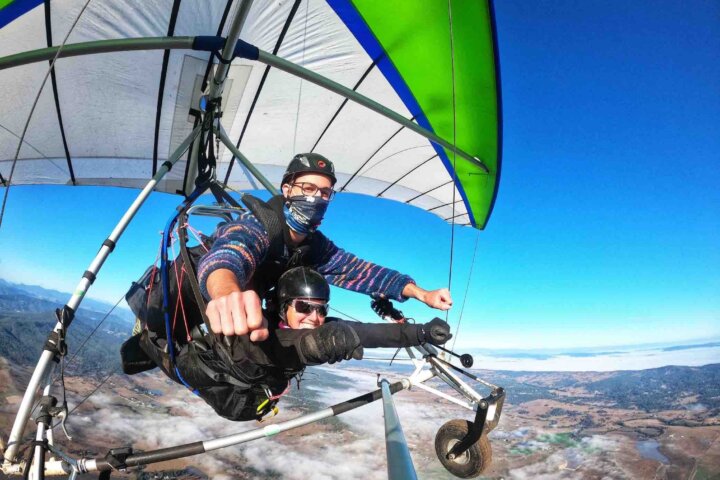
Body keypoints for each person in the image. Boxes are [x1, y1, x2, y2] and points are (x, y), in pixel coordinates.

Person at [128, 267, 452, 422]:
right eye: (304, 307)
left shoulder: (304, 325)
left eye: (321, 308)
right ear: (283, 308)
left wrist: (421, 328)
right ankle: (147, 332)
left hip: (249, 394)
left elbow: (364, 331)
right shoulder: (277, 335)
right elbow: (327, 339)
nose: (314, 316)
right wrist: (422, 331)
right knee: (160, 349)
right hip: (220, 384)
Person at [197, 153, 453, 342]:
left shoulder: (314, 247)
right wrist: (226, 293)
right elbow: (231, 254)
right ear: (287, 190)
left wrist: (423, 294)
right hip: (204, 294)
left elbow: (364, 273)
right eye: (308, 188)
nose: (316, 198)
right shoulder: (261, 225)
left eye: (325, 193)